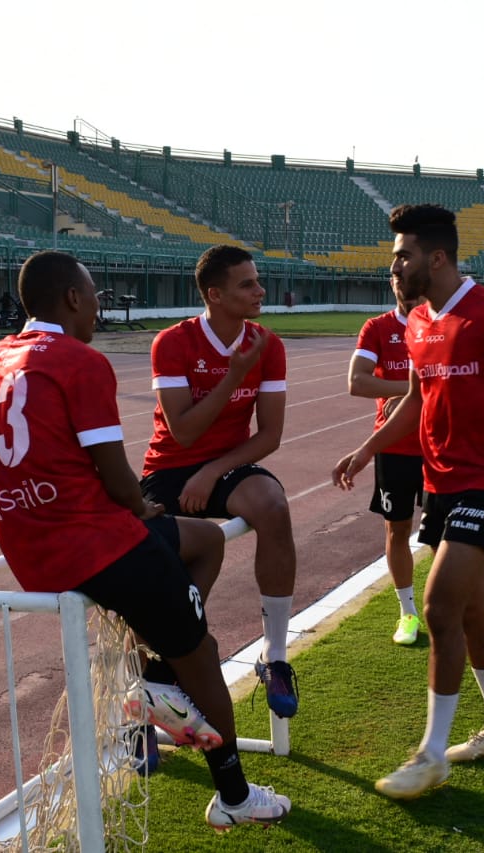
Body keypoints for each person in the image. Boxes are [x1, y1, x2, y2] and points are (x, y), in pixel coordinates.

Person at [0, 250, 290, 831]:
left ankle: (155, 679)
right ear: (72, 298)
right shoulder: (78, 360)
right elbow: (115, 472)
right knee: (201, 652)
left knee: (205, 541)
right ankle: (233, 795)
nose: (100, 306)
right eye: (95, 295)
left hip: (33, 553)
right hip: (96, 545)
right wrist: (138, 506)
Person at [333, 204, 484, 800]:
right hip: (440, 482)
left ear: (437, 257)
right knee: (472, 612)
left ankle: (430, 754)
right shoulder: (418, 322)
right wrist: (367, 449)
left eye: (402, 255)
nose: (394, 266)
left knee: (439, 607)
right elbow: (416, 402)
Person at [140, 245, 301, 719]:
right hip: (169, 468)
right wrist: (234, 375)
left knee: (273, 504)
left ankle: (275, 658)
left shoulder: (268, 344)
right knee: (152, 572)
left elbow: (270, 434)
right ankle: (145, 694)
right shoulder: (172, 342)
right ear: (215, 294)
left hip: (225, 465)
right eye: (247, 284)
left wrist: (213, 472)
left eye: (257, 280)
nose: (260, 291)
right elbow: (183, 430)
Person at [348, 275, 425, 645]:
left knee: (447, 535)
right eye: (396, 277)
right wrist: (410, 391)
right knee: (397, 529)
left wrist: (412, 396)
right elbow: (358, 382)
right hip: (393, 446)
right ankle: (408, 612)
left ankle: (449, 608)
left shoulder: (443, 326)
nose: (403, 284)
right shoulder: (377, 328)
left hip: (439, 445)